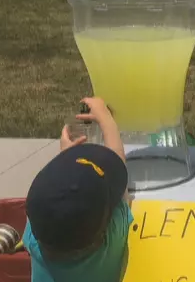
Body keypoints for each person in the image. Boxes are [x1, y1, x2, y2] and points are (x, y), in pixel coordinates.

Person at [23, 97, 132, 282]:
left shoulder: (33, 240)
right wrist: (106, 119)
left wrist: (67, 158)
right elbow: (122, 183)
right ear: (103, 229)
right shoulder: (112, 240)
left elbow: (52, 208)